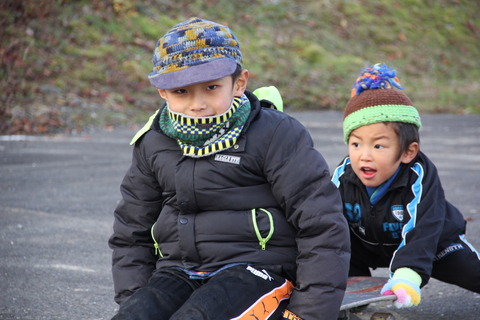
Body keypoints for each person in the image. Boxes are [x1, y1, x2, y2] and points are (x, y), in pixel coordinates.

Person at [108, 17, 350, 320]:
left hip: (259, 271)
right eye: (181, 92)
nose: (198, 104)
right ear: (163, 92)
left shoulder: (276, 134)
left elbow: (322, 223)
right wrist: (136, 302)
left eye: (211, 87)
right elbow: (132, 231)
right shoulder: (154, 141)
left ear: (239, 83)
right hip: (179, 271)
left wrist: (310, 312)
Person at [331, 63, 480, 308]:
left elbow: (423, 228)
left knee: (470, 271)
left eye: (378, 146)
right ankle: (351, 301)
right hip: (368, 242)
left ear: (408, 152)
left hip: (432, 243)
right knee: (336, 240)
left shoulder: (419, 176)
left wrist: (408, 275)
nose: (363, 156)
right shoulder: (344, 174)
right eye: (356, 144)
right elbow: (324, 216)